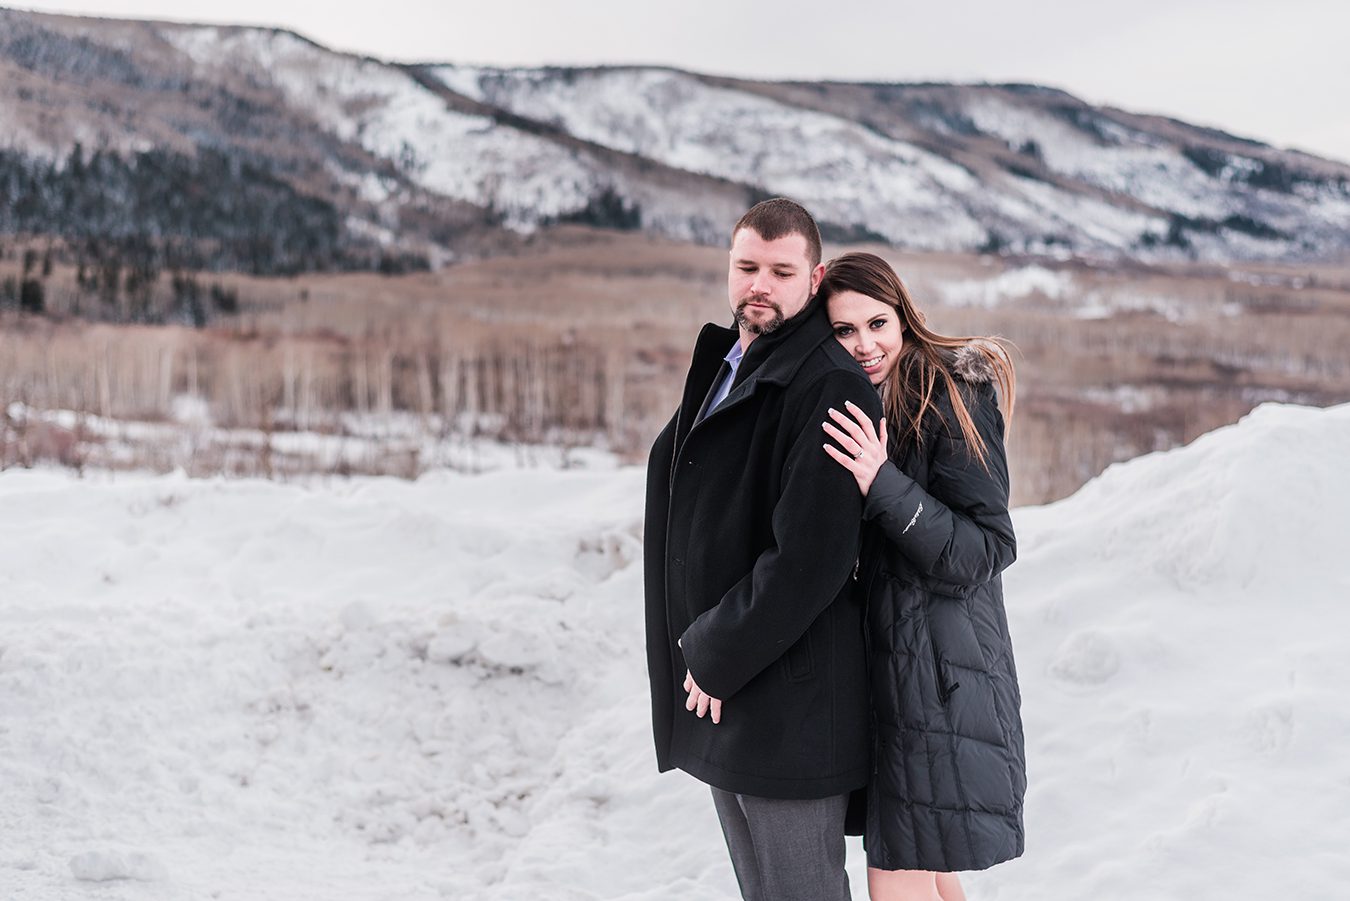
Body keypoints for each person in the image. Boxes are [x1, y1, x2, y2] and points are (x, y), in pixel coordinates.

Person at [643, 199, 884, 901]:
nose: (760, 285)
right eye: (747, 266)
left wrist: (713, 654)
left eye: (781, 271)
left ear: (815, 280)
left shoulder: (827, 381)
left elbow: (811, 558)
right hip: (733, 694)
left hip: (791, 702)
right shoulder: (732, 360)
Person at [816, 251, 1027, 901]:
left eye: (877, 323)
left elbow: (986, 548)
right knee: (931, 874)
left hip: (943, 687)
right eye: (843, 331)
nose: (864, 344)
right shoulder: (860, 402)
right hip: (899, 685)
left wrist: (883, 484)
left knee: (896, 880)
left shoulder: (952, 396)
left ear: (904, 316)